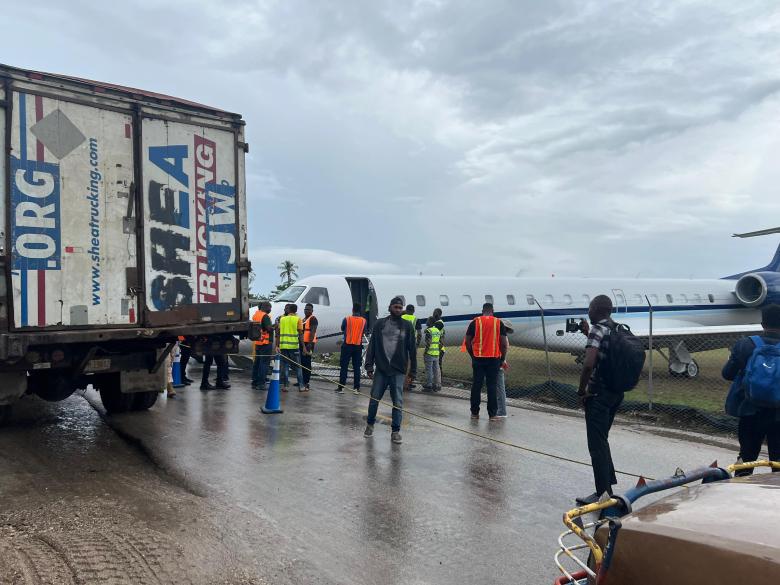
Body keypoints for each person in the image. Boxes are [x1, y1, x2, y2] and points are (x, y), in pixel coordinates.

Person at [722, 303, 780, 475]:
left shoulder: (745, 344)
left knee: (747, 457)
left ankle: (742, 486)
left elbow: (727, 374)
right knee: (778, 462)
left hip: (749, 411)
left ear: (762, 324)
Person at [575, 295, 621, 505]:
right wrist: (587, 333)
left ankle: (603, 494)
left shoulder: (598, 329)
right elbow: (606, 353)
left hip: (598, 394)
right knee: (602, 439)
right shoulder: (616, 328)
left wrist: (581, 391)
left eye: (590, 307)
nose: (589, 311)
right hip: (615, 393)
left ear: (597, 309)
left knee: (596, 444)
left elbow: (588, 364)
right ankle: (607, 486)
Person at [364, 296, 417, 444]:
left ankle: (395, 432)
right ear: (390, 307)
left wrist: (412, 372)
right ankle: (370, 425)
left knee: (397, 403)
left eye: (400, 308)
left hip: (398, 371)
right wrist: (369, 365)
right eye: (396, 307)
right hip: (381, 370)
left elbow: (412, 350)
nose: (398, 310)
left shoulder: (407, 326)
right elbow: (372, 345)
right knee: (374, 399)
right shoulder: (379, 324)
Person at [465, 303, 508, 420]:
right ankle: (492, 414)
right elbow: (504, 344)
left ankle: (474, 413)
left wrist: (472, 355)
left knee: (476, 385)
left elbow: (467, 341)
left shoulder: (475, 322)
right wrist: (502, 358)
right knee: (492, 386)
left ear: (482, 311)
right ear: (493, 311)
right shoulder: (498, 323)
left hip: (478, 358)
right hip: (493, 359)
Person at [277, 303, 306, 392]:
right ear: (296, 311)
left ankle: (286, 386)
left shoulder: (282, 319)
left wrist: (277, 345)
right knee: (298, 367)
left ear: (289, 310)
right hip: (294, 346)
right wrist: (303, 346)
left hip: (283, 346)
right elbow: (300, 334)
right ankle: (301, 386)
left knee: (285, 366)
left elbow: (278, 333)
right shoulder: (298, 319)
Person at [339, 304, 366, 395]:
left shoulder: (347, 319)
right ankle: (356, 389)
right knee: (357, 368)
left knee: (344, 367)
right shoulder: (363, 321)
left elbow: (342, 328)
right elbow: (364, 331)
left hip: (347, 345)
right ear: (360, 310)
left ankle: (341, 388)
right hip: (358, 346)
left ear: (352, 310)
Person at [251, 301, 274, 390]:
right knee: (264, 364)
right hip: (265, 343)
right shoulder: (265, 316)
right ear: (266, 307)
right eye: (270, 307)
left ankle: (255, 382)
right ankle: (261, 384)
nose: (270, 309)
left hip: (258, 342)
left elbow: (261, 327)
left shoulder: (256, 315)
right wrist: (275, 326)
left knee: (257, 363)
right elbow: (268, 329)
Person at [495, 320, 514, 417]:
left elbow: (503, 348)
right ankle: (500, 409)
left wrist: (502, 360)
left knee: (499, 388)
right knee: (498, 388)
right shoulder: (504, 337)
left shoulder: (502, 338)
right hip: (500, 362)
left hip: (498, 363)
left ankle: (502, 411)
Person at [423, 319, 444, 391]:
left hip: (429, 353)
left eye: (428, 320)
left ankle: (429, 385)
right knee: (435, 370)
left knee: (429, 370)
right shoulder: (438, 331)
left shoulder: (429, 331)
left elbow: (428, 343)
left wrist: (425, 352)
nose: (426, 321)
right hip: (436, 353)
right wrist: (438, 350)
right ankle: (436, 384)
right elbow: (441, 343)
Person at [301, 303, 318, 391]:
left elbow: (313, 331)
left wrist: (310, 344)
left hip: (309, 343)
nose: (306, 310)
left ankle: (306, 382)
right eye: (305, 309)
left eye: (308, 309)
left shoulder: (313, 319)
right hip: (303, 343)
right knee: (302, 362)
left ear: (312, 311)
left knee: (307, 362)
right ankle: (302, 380)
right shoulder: (304, 319)